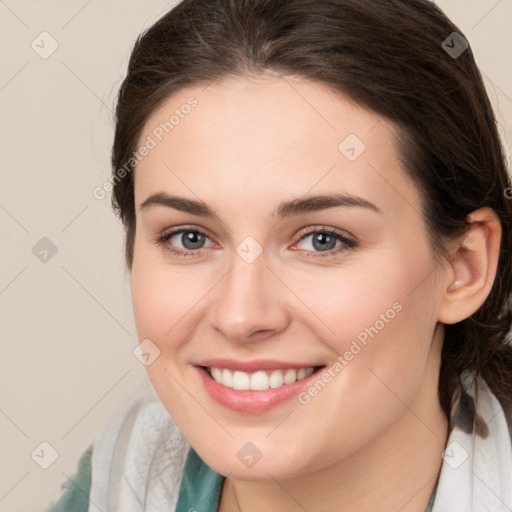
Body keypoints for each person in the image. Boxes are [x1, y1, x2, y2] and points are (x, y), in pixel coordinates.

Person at [45, 0, 512, 510]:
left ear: (463, 268)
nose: (241, 316)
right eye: (190, 237)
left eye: (322, 240)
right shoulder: (117, 475)